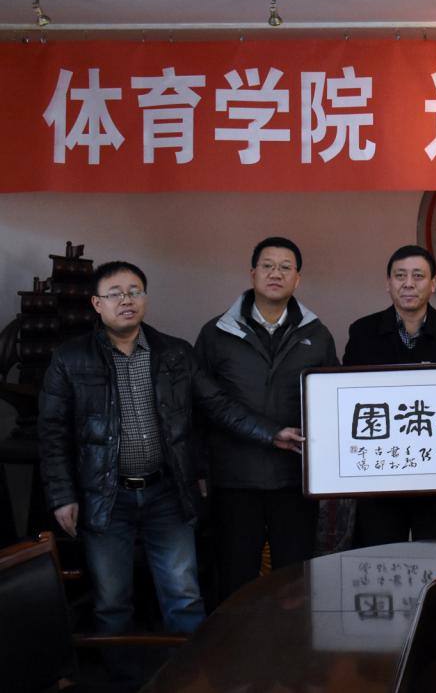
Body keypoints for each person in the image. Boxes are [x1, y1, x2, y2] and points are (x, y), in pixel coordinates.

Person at [38, 261, 303, 639]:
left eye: (135, 291)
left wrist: (272, 433)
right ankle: (122, 672)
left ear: (145, 298)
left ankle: (186, 669)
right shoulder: (70, 358)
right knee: (111, 601)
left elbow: (219, 406)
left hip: (167, 492)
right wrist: (62, 495)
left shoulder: (174, 353)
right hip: (105, 497)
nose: (126, 300)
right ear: (97, 303)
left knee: (184, 597)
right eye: (115, 294)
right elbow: (52, 432)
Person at [194, 237, 338, 602]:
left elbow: (331, 403)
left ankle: (291, 641)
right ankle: (235, 641)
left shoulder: (317, 335)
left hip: (295, 479)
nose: (276, 273)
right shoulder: (216, 333)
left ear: (297, 278)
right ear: (253, 273)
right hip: (234, 478)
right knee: (235, 580)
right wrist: (199, 468)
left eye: (285, 267)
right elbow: (204, 403)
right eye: (268, 266)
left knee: (295, 582)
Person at [342, 245, 436, 547]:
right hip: (380, 472)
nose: (408, 284)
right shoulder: (363, 332)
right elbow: (348, 401)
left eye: (418, 276)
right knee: (377, 559)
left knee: (435, 559)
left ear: (433, 284)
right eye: (400, 275)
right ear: (388, 283)